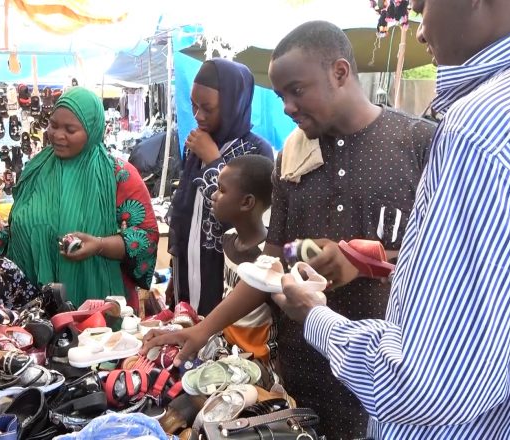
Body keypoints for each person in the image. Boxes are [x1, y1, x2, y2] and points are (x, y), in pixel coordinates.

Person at [271, 1, 510, 438]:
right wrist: (296, 253)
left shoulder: (478, 132)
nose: (417, 29)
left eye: (422, 5)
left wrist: (316, 316)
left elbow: (427, 386)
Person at [144, 21, 435, 438]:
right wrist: (202, 328)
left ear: (339, 72)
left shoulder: (420, 144)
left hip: (388, 375)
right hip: (300, 369)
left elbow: (459, 261)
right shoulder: (290, 161)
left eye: (297, 90)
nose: (286, 107)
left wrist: (371, 262)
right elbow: (273, 262)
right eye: (280, 95)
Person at [1, 87, 158, 309]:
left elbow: (146, 239)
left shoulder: (118, 175)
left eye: (70, 129)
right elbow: (15, 226)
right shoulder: (36, 170)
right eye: (53, 125)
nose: (57, 135)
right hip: (32, 304)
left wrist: (99, 245)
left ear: (92, 130)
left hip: (99, 309)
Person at [169, 59, 274, 317]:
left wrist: (213, 160)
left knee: (215, 335)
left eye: (208, 108)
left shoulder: (256, 152)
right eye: (194, 106)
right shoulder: (194, 142)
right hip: (190, 260)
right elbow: (185, 206)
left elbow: (249, 219)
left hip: (225, 265)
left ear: (233, 104)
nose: (198, 116)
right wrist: (175, 268)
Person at [211, 155, 275, 364]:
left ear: (247, 202)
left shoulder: (267, 256)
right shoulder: (228, 238)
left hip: (259, 359)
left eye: (222, 190)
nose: (214, 195)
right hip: (230, 349)